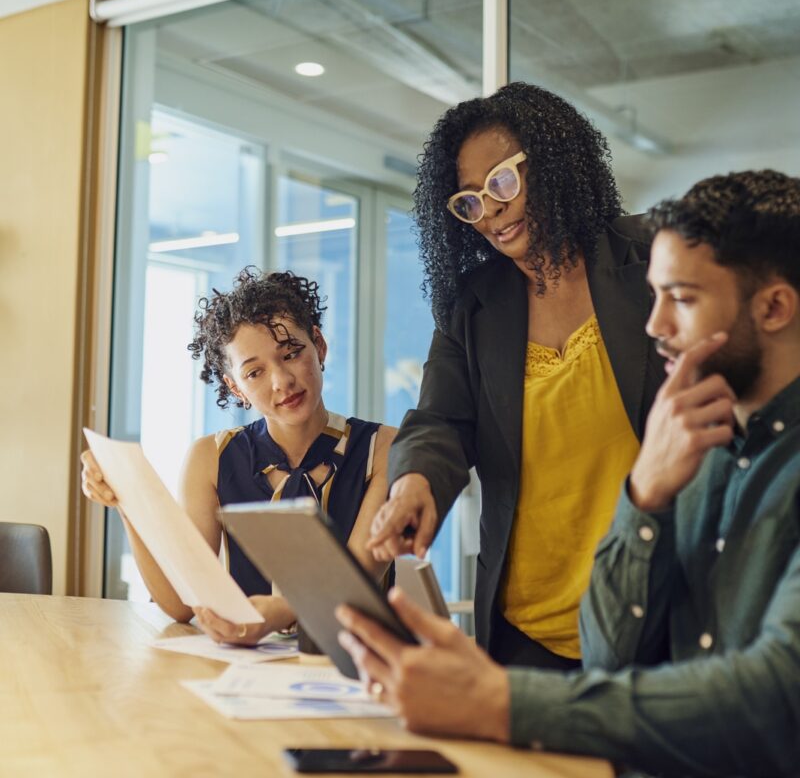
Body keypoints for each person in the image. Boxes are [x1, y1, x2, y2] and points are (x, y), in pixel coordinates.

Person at [337, 169, 800, 777]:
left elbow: (775, 701)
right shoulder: (701, 449)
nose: (655, 325)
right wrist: (644, 494)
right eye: (469, 198)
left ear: (774, 307)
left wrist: (496, 700)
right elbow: (609, 653)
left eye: (680, 300)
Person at [368, 82, 664, 668]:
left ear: (553, 165)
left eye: (502, 181)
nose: (491, 211)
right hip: (526, 632)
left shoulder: (654, 260)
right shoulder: (474, 307)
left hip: (655, 619)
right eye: (469, 201)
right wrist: (414, 483)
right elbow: (439, 421)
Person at [82, 268, 394, 644]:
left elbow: (357, 579)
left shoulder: (384, 448)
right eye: (255, 372)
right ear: (235, 387)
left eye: (291, 353)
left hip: (362, 664)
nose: (281, 381)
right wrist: (125, 500)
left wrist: (279, 611)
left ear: (319, 345)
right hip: (248, 666)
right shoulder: (210, 458)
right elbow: (183, 604)